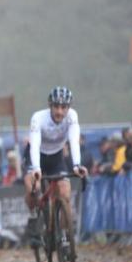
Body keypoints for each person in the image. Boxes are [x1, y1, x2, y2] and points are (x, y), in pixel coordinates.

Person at [23, 87, 88, 247]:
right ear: (50, 106)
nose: (60, 112)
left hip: (56, 156)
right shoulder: (38, 117)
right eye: (56, 107)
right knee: (34, 187)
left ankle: (64, 236)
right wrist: (36, 168)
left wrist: (76, 165)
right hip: (36, 155)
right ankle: (33, 216)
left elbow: (73, 141)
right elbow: (35, 143)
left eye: (64, 107)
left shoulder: (72, 116)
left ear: (69, 107)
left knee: (65, 195)